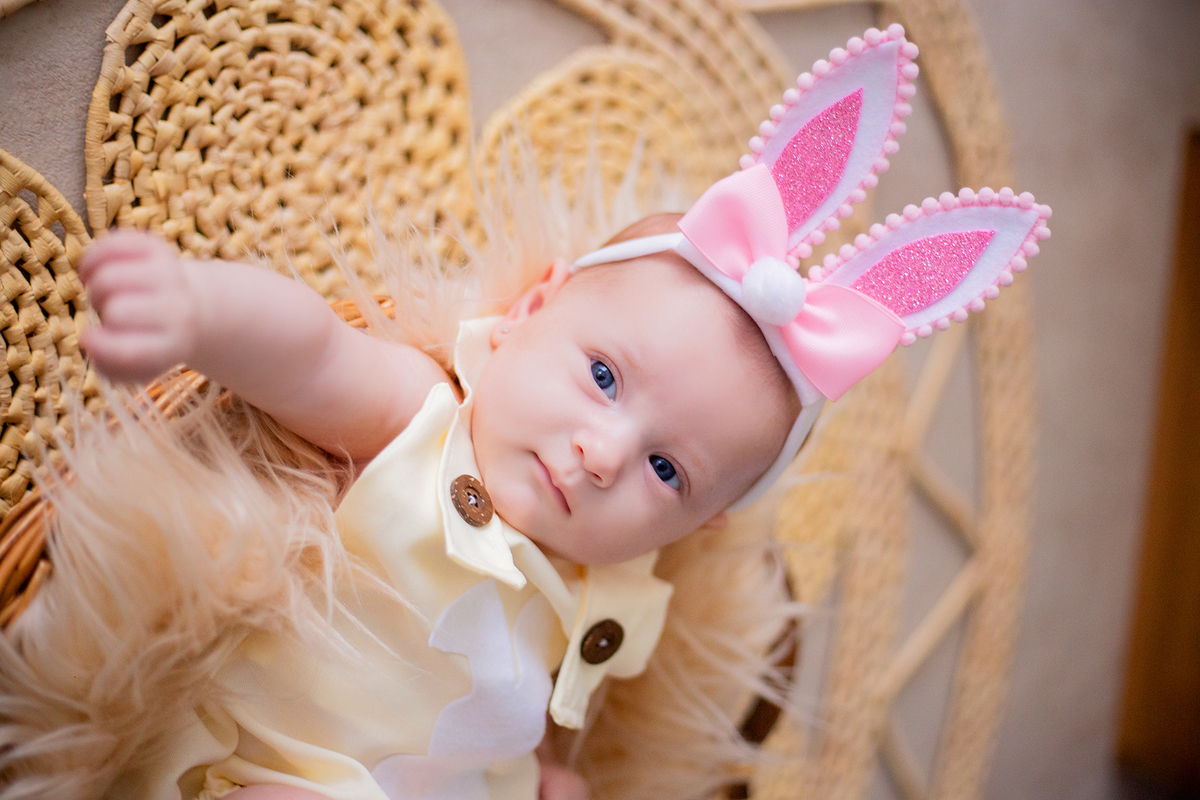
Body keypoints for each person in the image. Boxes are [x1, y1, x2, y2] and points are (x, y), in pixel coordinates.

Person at [0, 24, 1049, 800]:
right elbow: (309, 351)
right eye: (604, 378)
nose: (604, 453)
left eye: (668, 471)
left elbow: (514, 709)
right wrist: (196, 311)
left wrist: (546, 776)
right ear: (530, 311)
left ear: (703, 525)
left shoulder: (602, 596)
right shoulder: (424, 425)